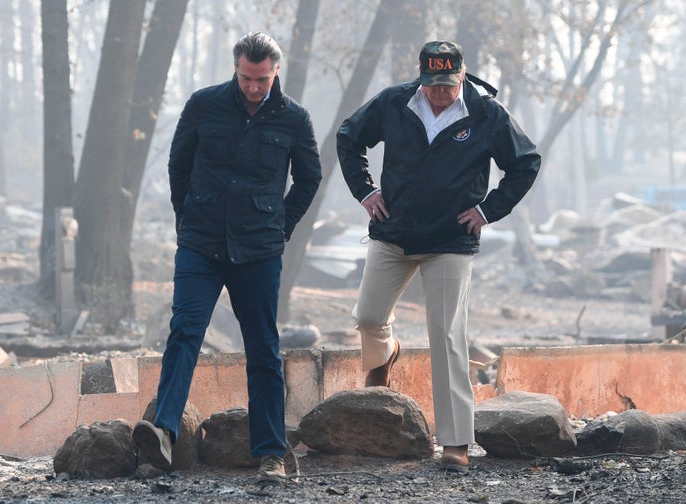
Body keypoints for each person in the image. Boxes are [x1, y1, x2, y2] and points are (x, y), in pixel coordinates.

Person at [336, 40, 540, 471]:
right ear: (421, 78)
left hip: (450, 240)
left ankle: (454, 442)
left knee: (447, 338)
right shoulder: (394, 103)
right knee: (369, 316)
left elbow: (525, 162)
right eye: (433, 85)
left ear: (462, 77)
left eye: (448, 85)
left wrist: (488, 210)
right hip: (393, 231)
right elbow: (348, 138)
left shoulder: (486, 114)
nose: (440, 93)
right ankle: (384, 355)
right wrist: (365, 191)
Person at [132, 32, 322, 482]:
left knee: (262, 348)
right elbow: (178, 165)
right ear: (235, 69)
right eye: (245, 77)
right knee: (184, 332)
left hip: (258, 249)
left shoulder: (294, 118)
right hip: (201, 244)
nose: (252, 87)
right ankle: (163, 432)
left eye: (260, 79)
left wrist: (280, 225)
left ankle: (271, 453)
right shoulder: (204, 104)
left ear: (275, 71)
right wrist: (189, 217)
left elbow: (309, 179)